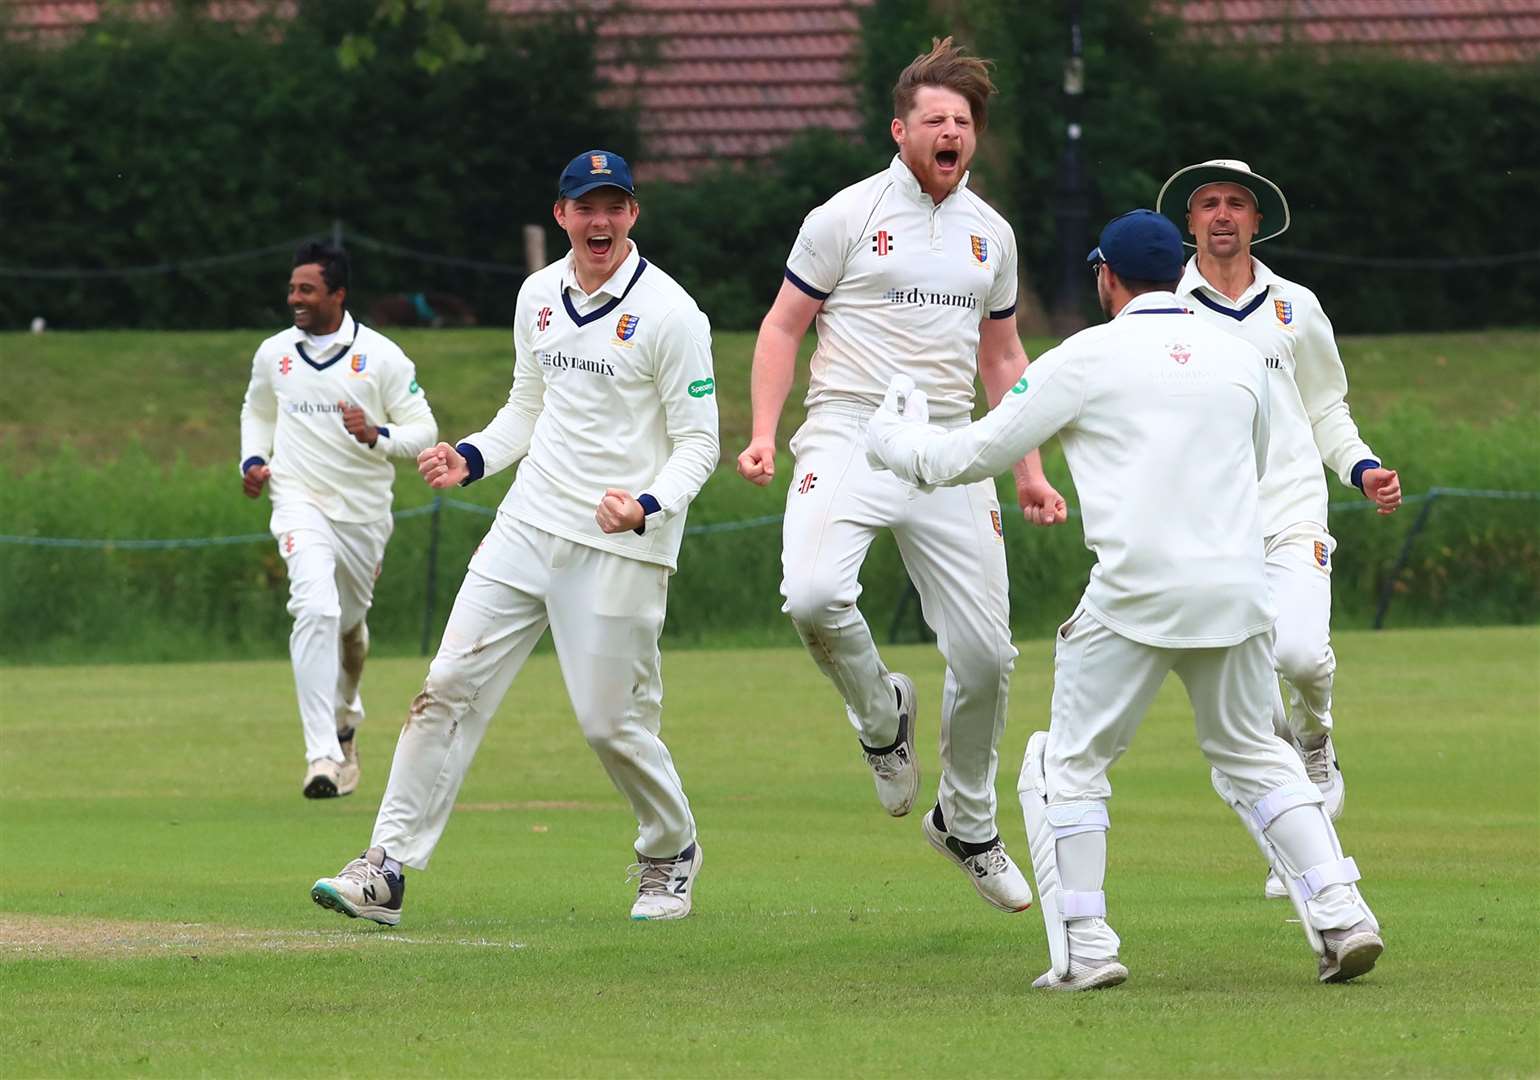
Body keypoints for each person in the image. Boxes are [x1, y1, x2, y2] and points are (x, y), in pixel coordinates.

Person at [865, 209, 1384, 990]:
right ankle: (1343, 913)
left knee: (1065, 767)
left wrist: (890, 440)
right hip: (1236, 589)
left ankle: (1088, 946)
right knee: (1255, 754)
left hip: (1135, 593)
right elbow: (1259, 457)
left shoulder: (1084, 357)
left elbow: (969, 456)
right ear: (1178, 274)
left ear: (1106, 277)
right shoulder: (1239, 359)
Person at [309, 150, 719, 925]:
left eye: (615, 206)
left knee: (611, 724)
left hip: (621, 540)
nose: (599, 222)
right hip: (528, 523)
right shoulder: (537, 295)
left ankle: (670, 847)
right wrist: (470, 457)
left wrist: (647, 503)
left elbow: (701, 442)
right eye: (584, 207)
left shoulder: (671, 313)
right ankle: (386, 868)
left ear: (633, 215)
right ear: (560, 214)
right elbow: (527, 409)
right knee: (444, 688)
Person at [735, 37, 1066, 913]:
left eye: (962, 122)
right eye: (934, 120)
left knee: (989, 658)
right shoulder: (844, 215)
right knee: (811, 595)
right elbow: (780, 328)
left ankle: (966, 821)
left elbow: (1003, 357)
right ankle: (883, 721)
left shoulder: (991, 234)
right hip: (850, 429)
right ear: (901, 129)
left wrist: (1027, 467)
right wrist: (765, 432)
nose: (950, 132)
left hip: (953, 444)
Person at [1156, 159, 1402, 897]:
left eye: (1237, 204)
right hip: (1210, 527)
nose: (1223, 215)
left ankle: (1318, 737)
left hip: (1293, 509)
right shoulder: (1165, 307)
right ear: (1190, 221)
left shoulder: (1296, 306)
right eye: (1209, 205)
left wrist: (1362, 467)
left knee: (1299, 655)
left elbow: (1327, 409)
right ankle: (1294, 848)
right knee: (1251, 701)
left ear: (1258, 221)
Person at [240, 241, 439, 799]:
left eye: (306, 289)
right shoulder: (274, 353)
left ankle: (346, 718)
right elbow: (257, 411)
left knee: (347, 627)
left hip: (363, 515)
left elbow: (424, 430)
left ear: (338, 294)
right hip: (298, 500)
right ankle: (322, 755)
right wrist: (253, 460)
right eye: (292, 289)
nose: (294, 298)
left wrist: (377, 434)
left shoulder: (382, 357)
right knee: (314, 606)